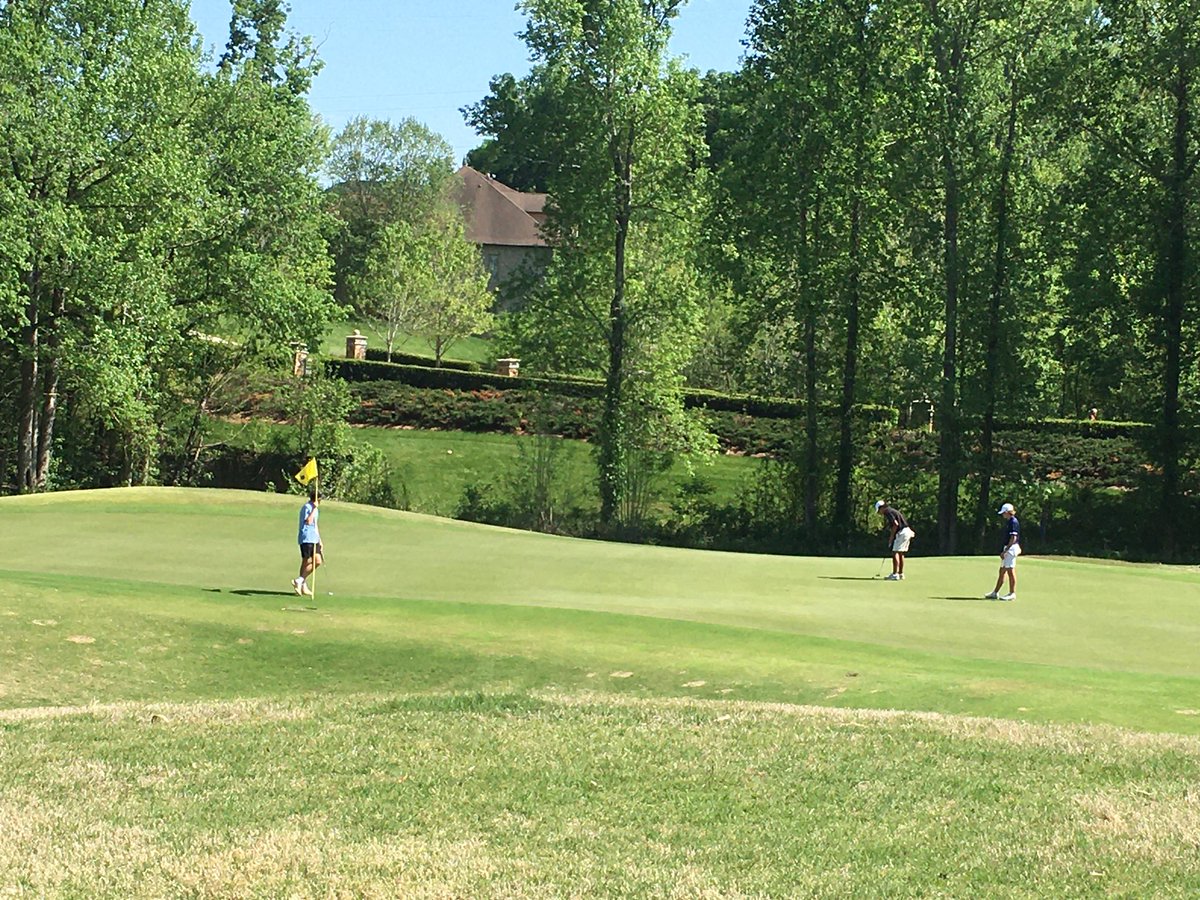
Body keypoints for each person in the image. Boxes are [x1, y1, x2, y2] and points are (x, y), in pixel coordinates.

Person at [985, 502, 1020, 601]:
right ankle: (995, 592)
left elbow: (1013, 538)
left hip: (1011, 548)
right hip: (1008, 548)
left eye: (1004, 513)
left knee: (1010, 571)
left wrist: (1006, 550)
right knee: (1002, 571)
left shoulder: (1013, 522)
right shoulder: (1009, 521)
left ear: (1008, 512)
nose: (1003, 515)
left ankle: (1012, 593)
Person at [293, 484, 322, 597]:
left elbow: (315, 525)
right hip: (306, 537)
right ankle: (301, 584)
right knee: (306, 561)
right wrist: (314, 508)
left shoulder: (316, 509)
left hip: (314, 538)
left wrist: (320, 540)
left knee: (317, 561)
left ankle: (300, 581)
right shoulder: (307, 507)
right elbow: (309, 521)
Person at [874, 500, 915, 580]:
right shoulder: (892, 510)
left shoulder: (888, 512)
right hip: (907, 531)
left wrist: (891, 537)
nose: (879, 513)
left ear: (882, 508)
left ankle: (895, 574)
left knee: (895, 552)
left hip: (901, 532)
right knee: (901, 553)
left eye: (879, 510)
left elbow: (895, 524)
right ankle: (900, 573)